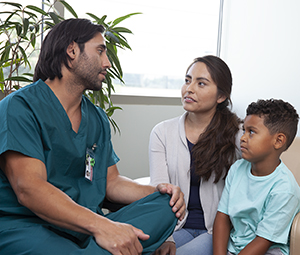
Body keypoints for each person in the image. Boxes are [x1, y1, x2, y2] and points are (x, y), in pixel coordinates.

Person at [0, 18, 186, 255]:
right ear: (72, 51)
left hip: (86, 228)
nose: (107, 63)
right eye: (100, 51)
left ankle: (98, 248)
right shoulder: (19, 107)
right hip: (30, 225)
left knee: (164, 207)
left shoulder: (96, 118)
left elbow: (110, 182)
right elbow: (29, 189)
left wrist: (160, 192)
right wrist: (103, 226)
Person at [149, 55, 242, 255]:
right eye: (187, 80)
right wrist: (167, 238)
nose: (189, 89)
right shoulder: (162, 132)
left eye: (201, 83)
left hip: (216, 233)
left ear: (221, 96)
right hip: (174, 228)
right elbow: (158, 191)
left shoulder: (238, 135)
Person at [213, 99, 300, 255]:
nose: (243, 138)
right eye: (244, 130)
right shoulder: (237, 169)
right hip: (234, 245)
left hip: (267, 250)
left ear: (278, 141)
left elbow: (263, 240)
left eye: (251, 132)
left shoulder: (285, 189)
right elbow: (222, 216)